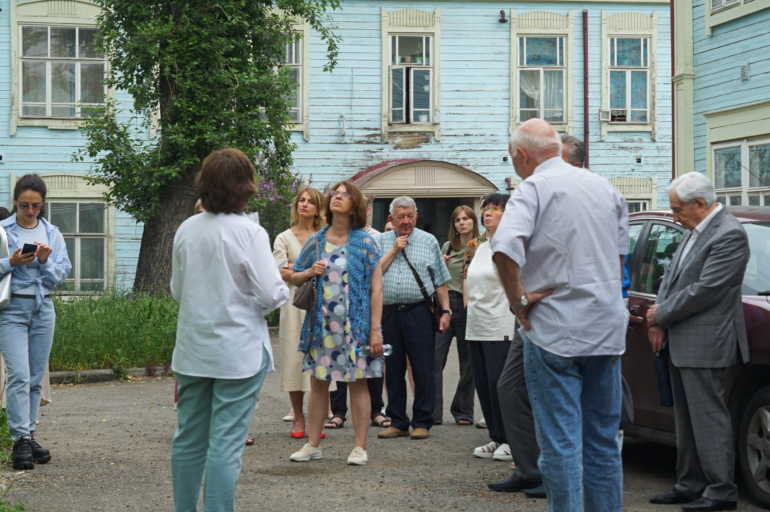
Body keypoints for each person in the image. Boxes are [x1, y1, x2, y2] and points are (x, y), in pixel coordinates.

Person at [492, 119, 628, 511]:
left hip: (555, 330)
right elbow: (619, 258)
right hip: (604, 328)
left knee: (561, 442)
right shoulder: (604, 187)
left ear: (521, 154)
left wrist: (518, 302)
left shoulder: (532, 188)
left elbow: (504, 250)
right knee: (602, 440)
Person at [170, 148, 289, 511]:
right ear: (246, 186)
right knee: (226, 444)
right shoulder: (249, 232)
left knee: (189, 439)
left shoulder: (186, 229)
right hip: (237, 352)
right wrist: (278, 289)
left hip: (193, 350)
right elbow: (271, 294)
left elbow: (177, 290)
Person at [489, 134, 589, 498]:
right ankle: (529, 468)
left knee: (560, 398)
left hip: (568, 314)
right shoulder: (534, 194)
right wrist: (520, 301)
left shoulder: (587, 196)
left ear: (574, 165)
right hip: (531, 313)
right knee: (510, 387)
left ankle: (560, 475)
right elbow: (508, 249)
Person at [647, 172, 749, 512]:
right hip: (685, 336)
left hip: (708, 338)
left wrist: (660, 315)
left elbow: (707, 290)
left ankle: (721, 491)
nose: (675, 216)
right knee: (687, 420)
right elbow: (672, 279)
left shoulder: (729, 234)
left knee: (708, 418)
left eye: (678, 209)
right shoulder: (696, 230)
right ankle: (690, 484)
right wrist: (662, 314)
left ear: (700, 204)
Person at [289, 181, 384, 466]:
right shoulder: (316, 241)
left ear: (355, 204)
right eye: (334, 194)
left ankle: (359, 447)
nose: (337, 198)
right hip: (322, 327)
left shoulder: (366, 242)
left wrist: (376, 329)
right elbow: (294, 276)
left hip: (356, 327)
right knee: (318, 384)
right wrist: (309, 271)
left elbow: (376, 289)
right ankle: (313, 444)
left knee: (358, 385)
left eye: (344, 195)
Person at [0, 175, 72, 470]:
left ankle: (28, 435)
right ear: (14, 202)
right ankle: (19, 440)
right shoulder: (2, 231)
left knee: (34, 378)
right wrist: (10, 263)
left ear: (43, 205)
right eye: (24, 205)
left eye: (36, 206)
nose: (30, 211)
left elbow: (63, 273)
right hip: (11, 309)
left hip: (43, 309)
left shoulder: (52, 232)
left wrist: (44, 261)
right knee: (18, 373)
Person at [376, 196, 451, 441]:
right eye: (401, 217)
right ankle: (398, 421)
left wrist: (447, 311)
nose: (406, 221)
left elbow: (440, 280)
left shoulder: (429, 241)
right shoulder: (380, 241)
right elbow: (373, 274)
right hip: (388, 313)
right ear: (391, 219)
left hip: (419, 312)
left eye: (410, 216)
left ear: (416, 216)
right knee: (393, 369)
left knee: (423, 368)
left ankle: (422, 422)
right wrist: (395, 249)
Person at [328, 199, 389, 430]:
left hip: (361, 315)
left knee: (366, 369)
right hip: (333, 318)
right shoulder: (324, 238)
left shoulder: (370, 238)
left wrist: (374, 327)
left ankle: (376, 411)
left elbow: (376, 283)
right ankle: (338, 412)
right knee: (334, 369)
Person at [273, 186, 326, 438]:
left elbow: (332, 266)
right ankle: (299, 417)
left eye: (310, 202)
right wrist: (303, 269)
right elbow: (279, 272)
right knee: (295, 359)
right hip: (295, 303)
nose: (304, 204)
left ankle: (318, 418)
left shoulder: (325, 236)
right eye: (301, 200)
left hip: (323, 303)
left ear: (317, 209)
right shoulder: (284, 237)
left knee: (321, 358)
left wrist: (294, 267)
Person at [465, 194, 514, 462]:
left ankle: (511, 439)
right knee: (483, 383)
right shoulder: (482, 247)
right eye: (486, 208)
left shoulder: (511, 246)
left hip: (501, 324)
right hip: (477, 324)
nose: (488, 213)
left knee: (500, 383)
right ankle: (496, 437)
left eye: (496, 209)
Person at [432, 206, 478, 427]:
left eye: (466, 219)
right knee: (434, 360)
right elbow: (438, 277)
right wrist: (442, 265)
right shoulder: (448, 246)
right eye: (458, 219)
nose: (462, 222)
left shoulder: (481, 246)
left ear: (473, 222)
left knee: (468, 363)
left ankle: (463, 411)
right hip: (446, 304)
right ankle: (433, 413)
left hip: (469, 304)